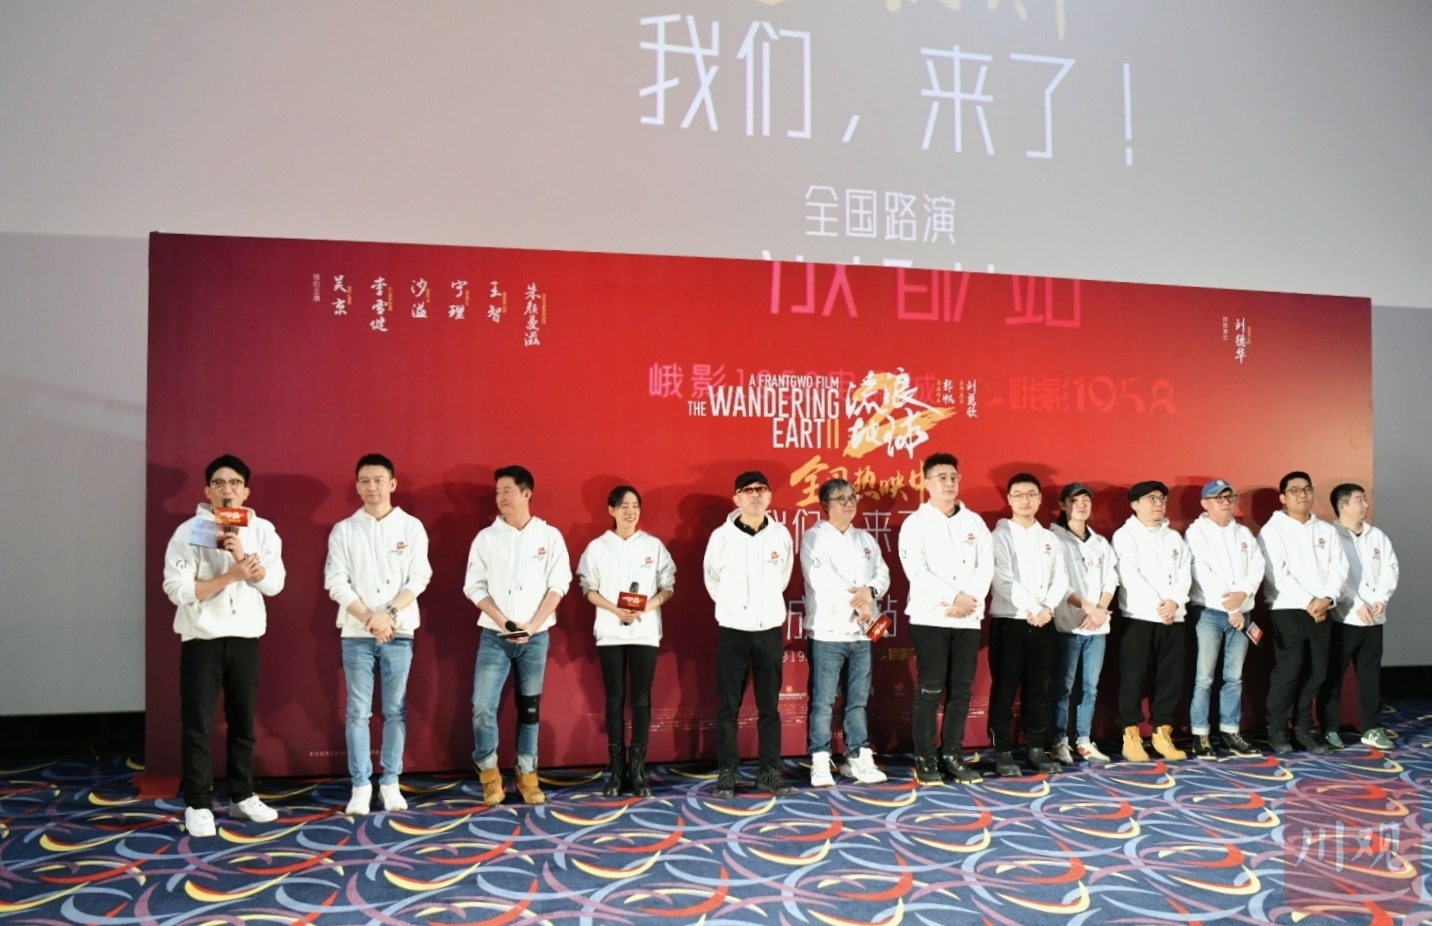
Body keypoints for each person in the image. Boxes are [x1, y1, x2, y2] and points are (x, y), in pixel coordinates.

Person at [162, 454, 286, 838]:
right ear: (207, 491)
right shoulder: (188, 532)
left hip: (245, 636)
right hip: (201, 638)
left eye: (234, 483)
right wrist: (230, 576)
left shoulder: (262, 530)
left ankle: (241, 795)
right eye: (219, 483)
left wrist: (243, 559)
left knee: (243, 723)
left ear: (246, 491)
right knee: (198, 725)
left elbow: (275, 584)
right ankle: (199, 803)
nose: (226, 490)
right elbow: (176, 589)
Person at [324, 453, 432, 815]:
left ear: (392, 484)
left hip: (399, 630)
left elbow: (419, 577)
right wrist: (370, 618)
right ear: (357, 486)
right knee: (357, 710)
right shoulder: (344, 529)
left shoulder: (411, 527)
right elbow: (336, 581)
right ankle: (360, 784)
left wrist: (388, 615)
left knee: (395, 709)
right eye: (365, 481)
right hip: (356, 632)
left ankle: (390, 781)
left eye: (378, 480)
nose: (372, 487)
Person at [463, 465, 572, 805]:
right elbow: (473, 586)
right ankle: (488, 773)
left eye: (507, 491)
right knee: (483, 706)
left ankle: (527, 773)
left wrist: (533, 625)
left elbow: (559, 584)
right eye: (498, 492)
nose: (501, 498)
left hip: (536, 639)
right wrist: (504, 622)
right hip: (494, 637)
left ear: (526, 493)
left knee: (530, 710)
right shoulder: (486, 538)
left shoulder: (549, 536)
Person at [897, 452, 993, 785]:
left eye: (953, 477)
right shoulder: (915, 524)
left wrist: (968, 601)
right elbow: (917, 572)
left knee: (962, 691)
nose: (949, 483)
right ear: (927, 483)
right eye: (942, 478)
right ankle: (925, 756)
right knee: (930, 688)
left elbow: (986, 567)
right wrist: (952, 599)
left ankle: (952, 753)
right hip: (931, 619)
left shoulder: (974, 522)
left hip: (967, 619)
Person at [576, 485, 676, 798]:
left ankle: (638, 770)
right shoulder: (597, 547)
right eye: (624, 506)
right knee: (614, 700)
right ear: (611, 510)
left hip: (645, 631)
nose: (631, 512)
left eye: (635, 506)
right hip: (610, 631)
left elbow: (668, 585)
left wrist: (647, 606)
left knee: (642, 700)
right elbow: (587, 587)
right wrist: (613, 608)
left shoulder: (653, 545)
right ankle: (617, 770)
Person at [704, 470, 796, 799]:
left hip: (768, 631)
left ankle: (769, 772)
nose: (755, 495)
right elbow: (712, 579)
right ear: (737, 498)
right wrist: (734, 608)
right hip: (733, 632)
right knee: (728, 706)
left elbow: (782, 578)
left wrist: (762, 608)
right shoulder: (721, 537)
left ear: (769, 496)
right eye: (748, 490)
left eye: (761, 489)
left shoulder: (781, 535)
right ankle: (728, 772)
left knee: (769, 707)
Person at [800, 478, 892, 787]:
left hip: (863, 633)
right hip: (828, 632)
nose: (849, 503)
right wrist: (860, 601)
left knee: (858, 700)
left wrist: (871, 591)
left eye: (852, 497)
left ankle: (858, 755)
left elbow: (882, 573)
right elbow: (821, 579)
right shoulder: (814, 538)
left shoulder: (865, 538)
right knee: (823, 701)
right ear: (825, 505)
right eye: (841, 498)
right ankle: (820, 759)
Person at [1258, 471, 1348, 756]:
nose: (1302, 495)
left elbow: (1339, 568)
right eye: (1295, 491)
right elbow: (1276, 574)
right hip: (1288, 609)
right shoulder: (1273, 530)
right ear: (1283, 498)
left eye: (1307, 489)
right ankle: (1277, 729)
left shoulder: (1326, 530)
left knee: (1317, 672)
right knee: (1288, 672)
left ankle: (1303, 728)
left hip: (1322, 610)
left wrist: (1327, 599)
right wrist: (1310, 602)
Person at [988, 474, 1070, 777]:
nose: (1025, 500)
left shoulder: (1050, 538)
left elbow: (1061, 578)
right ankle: (1002, 751)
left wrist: (1047, 608)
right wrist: (1034, 608)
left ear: (1039, 499)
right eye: (1018, 494)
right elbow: (1002, 580)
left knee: (1039, 688)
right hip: (1010, 621)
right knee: (1005, 688)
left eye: (1031, 494)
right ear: (1009, 499)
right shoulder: (999, 536)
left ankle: (1036, 747)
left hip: (1044, 622)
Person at [1184, 480, 1264, 759]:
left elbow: (1257, 565)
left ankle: (1230, 731)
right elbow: (1202, 574)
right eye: (1218, 498)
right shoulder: (1196, 533)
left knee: (1234, 677)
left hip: (1242, 613)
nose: (1226, 502)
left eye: (1229, 497)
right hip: (1209, 614)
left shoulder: (1243, 533)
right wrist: (1231, 607)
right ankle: (1200, 735)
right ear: (1205, 503)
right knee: (1204, 677)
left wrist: (1244, 593)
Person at [1112, 480, 1192, 763]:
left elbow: (1185, 574)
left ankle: (1162, 734)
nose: (1158, 504)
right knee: (1132, 679)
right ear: (1135, 504)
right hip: (1139, 617)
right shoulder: (1125, 535)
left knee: (1171, 678)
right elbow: (1129, 576)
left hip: (1174, 618)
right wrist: (1160, 605)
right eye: (1151, 499)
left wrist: (1174, 602)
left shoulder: (1174, 538)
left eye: (1162, 499)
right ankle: (1131, 736)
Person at [1318, 483, 1398, 750]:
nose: (1366, 505)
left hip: (1374, 619)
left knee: (1370, 676)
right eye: (1359, 500)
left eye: (1365, 499)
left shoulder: (1377, 536)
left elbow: (1390, 568)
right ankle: (1329, 728)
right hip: (1343, 619)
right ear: (1343, 506)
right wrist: (1354, 604)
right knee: (1333, 676)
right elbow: (1332, 576)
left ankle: (1372, 728)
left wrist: (1381, 599)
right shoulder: (1329, 536)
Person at [1049, 483, 1118, 765]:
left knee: (1091, 687)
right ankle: (1059, 741)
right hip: (1067, 627)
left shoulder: (1100, 542)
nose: (1082, 505)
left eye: (1086, 500)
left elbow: (1111, 578)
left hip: (1098, 628)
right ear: (1062, 505)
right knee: (1062, 688)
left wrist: (1100, 610)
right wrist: (1089, 608)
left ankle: (1084, 740)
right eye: (1075, 500)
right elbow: (1057, 583)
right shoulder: (1053, 538)